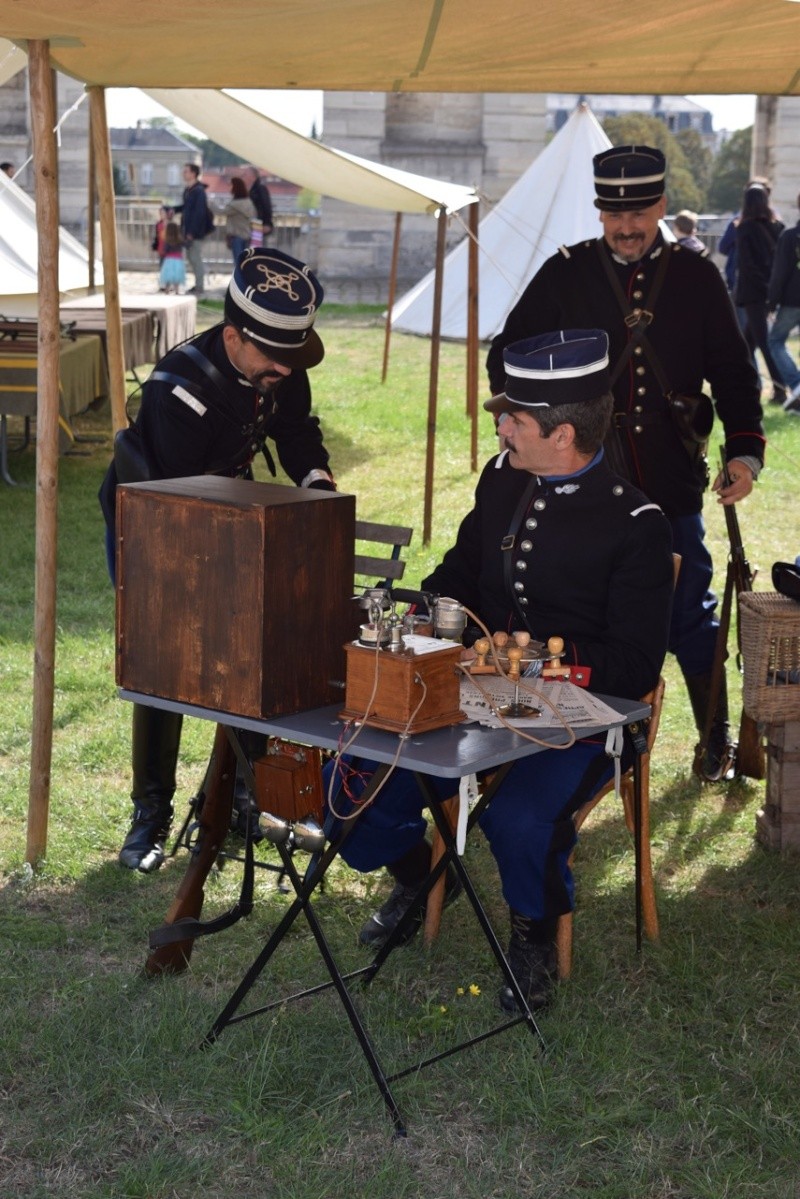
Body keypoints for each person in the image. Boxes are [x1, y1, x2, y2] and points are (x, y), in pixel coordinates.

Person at [329, 330, 674, 1012]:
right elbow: (461, 575)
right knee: (357, 783)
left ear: (563, 433)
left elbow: (634, 665)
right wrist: (425, 611)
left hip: (586, 719)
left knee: (518, 816)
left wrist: (532, 657)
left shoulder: (638, 524)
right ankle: (421, 874)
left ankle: (533, 935)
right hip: (473, 699)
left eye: (513, 417)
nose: (500, 425)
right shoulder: (503, 478)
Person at [487, 145, 766, 783]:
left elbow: (732, 372)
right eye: (614, 213)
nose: (627, 226)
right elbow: (505, 355)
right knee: (571, 611)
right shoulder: (566, 273)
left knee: (688, 613)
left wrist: (745, 451)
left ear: (662, 206)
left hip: (668, 481)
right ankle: (573, 746)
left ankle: (714, 742)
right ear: (599, 211)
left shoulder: (697, 277)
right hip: (579, 481)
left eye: (639, 210)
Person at [99, 248, 336, 873]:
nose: (284, 369)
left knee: (249, 657)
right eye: (272, 358)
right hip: (155, 520)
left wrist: (315, 481)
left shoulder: (280, 363)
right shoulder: (180, 389)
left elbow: (296, 431)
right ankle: (150, 814)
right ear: (233, 335)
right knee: (164, 667)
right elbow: (180, 499)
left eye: (291, 356)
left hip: (225, 518)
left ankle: (238, 800)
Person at [734, 183, 785, 404]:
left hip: (755, 292)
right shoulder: (778, 227)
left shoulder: (744, 229)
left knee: (762, 342)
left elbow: (746, 265)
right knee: (746, 343)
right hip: (771, 290)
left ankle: (781, 387)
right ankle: (747, 386)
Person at [767, 190, 800, 415]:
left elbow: (780, 272)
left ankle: (797, 385)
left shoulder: (790, 237)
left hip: (792, 299)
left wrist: (772, 302)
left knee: (775, 340)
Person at [171, 162, 213, 296]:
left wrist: (191, 233)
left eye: (186, 171)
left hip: (195, 232)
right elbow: (186, 208)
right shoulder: (189, 190)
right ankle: (198, 285)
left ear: (193, 174)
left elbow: (199, 213)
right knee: (192, 257)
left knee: (195, 258)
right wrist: (173, 209)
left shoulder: (198, 191)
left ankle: (200, 286)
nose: (184, 174)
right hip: (189, 230)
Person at [223, 176, 256, 265]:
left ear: (235, 187)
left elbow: (222, 212)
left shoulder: (234, 205)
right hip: (247, 235)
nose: (228, 187)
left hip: (236, 236)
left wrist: (210, 204)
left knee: (238, 263)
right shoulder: (248, 202)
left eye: (230, 185)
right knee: (245, 262)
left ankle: (239, 279)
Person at [246, 166, 274, 243]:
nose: (244, 177)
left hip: (258, 223)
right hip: (253, 223)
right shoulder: (251, 189)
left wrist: (267, 223)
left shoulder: (260, 189)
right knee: (253, 248)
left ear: (252, 176)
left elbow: (266, 206)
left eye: (246, 175)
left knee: (256, 247)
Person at [158, 221, 186, 294]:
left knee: (168, 276)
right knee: (177, 276)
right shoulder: (179, 239)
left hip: (169, 260)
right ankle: (177, 290)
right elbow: (186, 245)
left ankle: (167, 290)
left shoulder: (167, 240)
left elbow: (165, 250)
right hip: (178, 260)